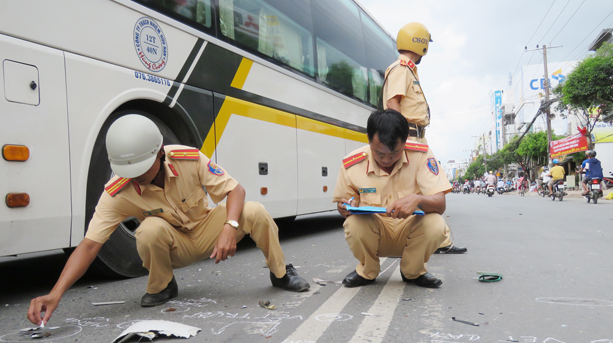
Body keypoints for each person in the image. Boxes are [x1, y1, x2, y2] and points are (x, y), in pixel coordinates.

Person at [27, 115, 309, 325]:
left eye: (141, 169)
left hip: (208, 231)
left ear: (160, 153)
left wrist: (229, 226)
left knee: (255, 210)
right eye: (127, 171)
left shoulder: (189, 160)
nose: (135, 177)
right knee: (148, 230)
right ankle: (162, 285)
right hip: (175, 245)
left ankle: (281, 273)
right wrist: (55, 294)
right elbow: (89, 246)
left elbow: (236, 190)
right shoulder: (117, 192)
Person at [333, 109, 451, 288]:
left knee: (436, 223)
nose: (386, 160)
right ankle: (367, 271)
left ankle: (413, 272)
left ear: (405, 141)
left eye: (394, 153)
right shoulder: (352, 164)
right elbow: (344, 203)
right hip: (375, 233)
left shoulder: (421, 155)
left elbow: (440, 203)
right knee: (353, 223)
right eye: (379, 153)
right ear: (368, 139)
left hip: (411, 232)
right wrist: (345, 207)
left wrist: (417, 200)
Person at [382, 22, 466, 255]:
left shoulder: (408, 70)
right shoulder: (400, 69)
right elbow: (392, 104)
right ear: (421, 44)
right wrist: (399, 140)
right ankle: (432, 241)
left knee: (428, 190)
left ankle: (442, 241)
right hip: (409, 140)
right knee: (431, 188)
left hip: (416, 139)